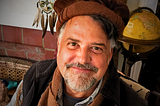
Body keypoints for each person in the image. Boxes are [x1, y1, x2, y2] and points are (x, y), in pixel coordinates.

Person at [7, 0, 148, 106]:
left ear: (109, 55)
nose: (82, 59)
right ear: (59, 46)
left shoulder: (133, 102)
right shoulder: (34, 77)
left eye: (96, 48)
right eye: (73, 44)